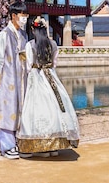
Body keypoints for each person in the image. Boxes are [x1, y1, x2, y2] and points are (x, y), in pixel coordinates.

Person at [17, 16, 79, 158]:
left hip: (36, 76)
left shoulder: (30, 45)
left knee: (37, 109)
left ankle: (40, 146)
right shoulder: (53, 44)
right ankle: (54, 147)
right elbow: (54, 63)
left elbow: (28, 65)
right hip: (51, 76)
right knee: (55, 108)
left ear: (33, 30)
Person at [0, 0, 28, 160]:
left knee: (20, 109)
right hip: (8, 78)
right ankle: (7, 146)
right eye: (22, 15)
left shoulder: (23, 35)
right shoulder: (4, 35)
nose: (24, 18)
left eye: (26, 15)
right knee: (7, 110)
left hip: (22, 78)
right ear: (14, 16)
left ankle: (18, 142)